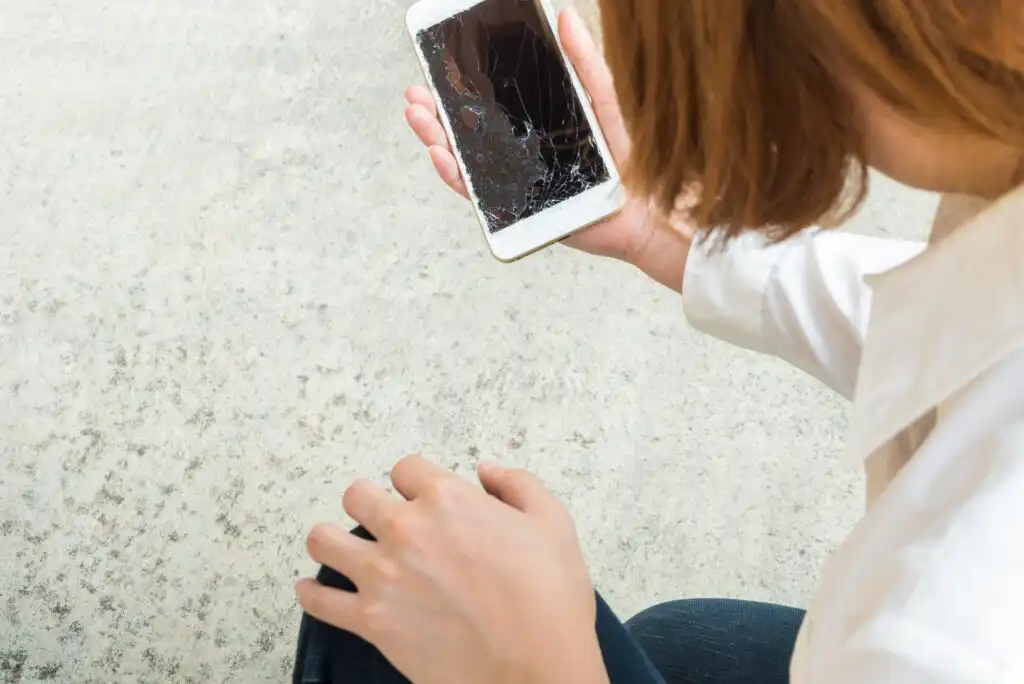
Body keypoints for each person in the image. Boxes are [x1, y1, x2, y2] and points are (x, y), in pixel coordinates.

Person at [293, 1, 1024, 682]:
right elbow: (968, 327)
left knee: (372, 608)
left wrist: (543, 660)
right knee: (682, 640)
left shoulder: (941, 631)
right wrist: (664, 229)